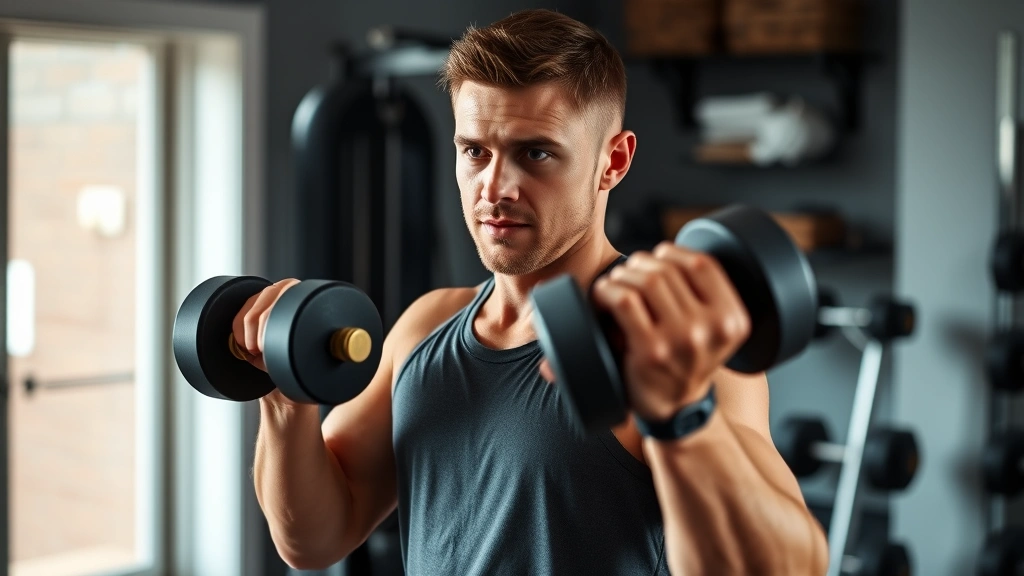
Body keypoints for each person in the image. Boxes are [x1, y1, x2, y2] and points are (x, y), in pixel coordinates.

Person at [242, 9, 828, 575]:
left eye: (536, 153)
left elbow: (788, 569)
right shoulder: (426, 326)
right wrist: (286, 397)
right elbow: (313, 540)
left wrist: (681, 415)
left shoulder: (670, 344)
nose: (494, 187)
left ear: (613, 161)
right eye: (475, 151)